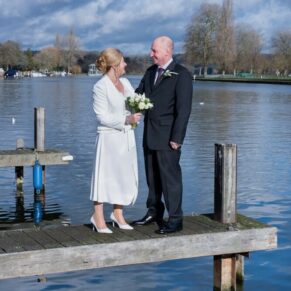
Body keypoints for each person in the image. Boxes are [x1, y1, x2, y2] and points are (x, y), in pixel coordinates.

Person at [133, 36, 193, 234]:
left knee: (170, 180)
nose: (151, 54)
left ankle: (175, 219)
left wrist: (177, 138)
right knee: (152, 177)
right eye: (152, 50)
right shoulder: (150, 72)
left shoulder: (181, 74)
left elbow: (183, 110)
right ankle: (154, 212)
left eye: (154, 51)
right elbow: (138, 94)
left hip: (168, 138)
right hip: (149, 134)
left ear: (167, 51)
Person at [90, 48, 142, 233]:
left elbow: (134, 101)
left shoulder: (126, 83)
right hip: (108, 138)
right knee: (104, 176)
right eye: (123, 62)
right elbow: (101, 117)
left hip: (126, 138)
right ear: (114, 65)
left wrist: (141, 106)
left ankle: (118, 215)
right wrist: (126, 120)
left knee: (124, 175)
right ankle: (98, 217)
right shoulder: (100, 87)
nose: (126, 64)